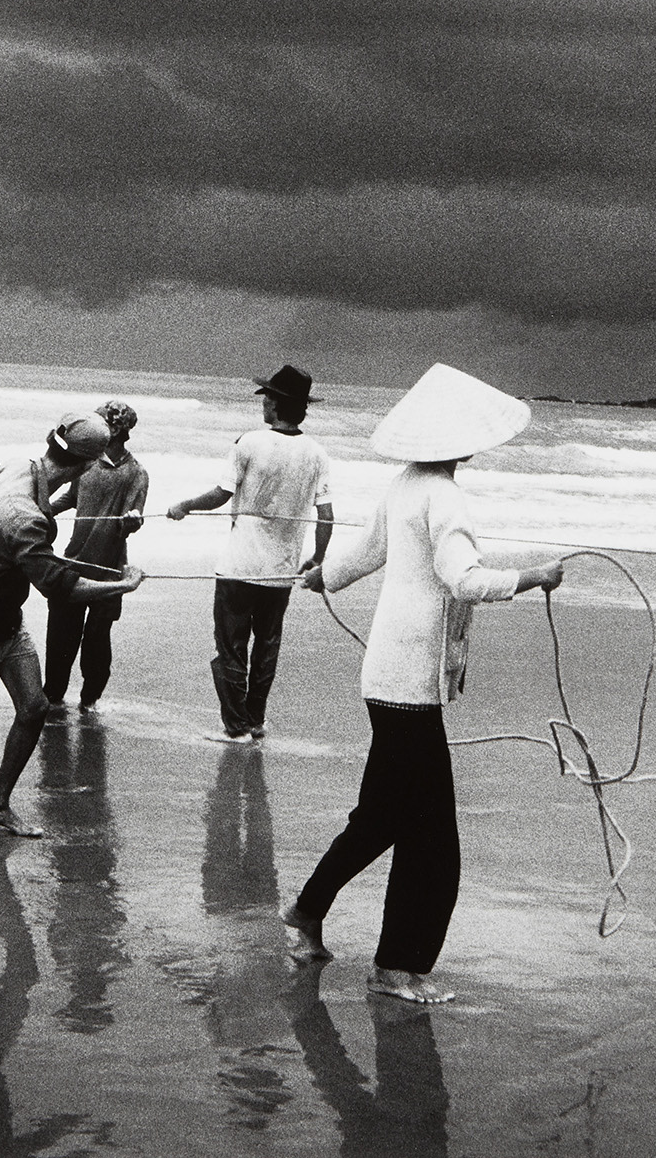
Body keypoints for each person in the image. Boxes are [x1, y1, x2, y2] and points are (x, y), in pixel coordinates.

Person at [285, 364, 567, 1004]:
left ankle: (306, 911)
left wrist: (325, 576)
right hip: (410, 681)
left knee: (383, 815)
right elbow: (464, 580)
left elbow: (366, 553)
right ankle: (396, 967)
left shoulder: (405, 484)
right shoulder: (444, 495)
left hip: (386, 673)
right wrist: (535, 576)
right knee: (432, 837)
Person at [0, 412, 143, 836]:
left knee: (35, 707)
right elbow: (60, 587)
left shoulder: (19, 467)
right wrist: (123, 584)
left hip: (8, 622)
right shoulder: (25, 518)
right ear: (87, 465)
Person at [166, 364, 333, 744]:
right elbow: (326, 516)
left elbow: (221, 494)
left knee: (231, 647)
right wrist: (318, 558)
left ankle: (236, 727)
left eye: (267, 397)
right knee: (266, 649)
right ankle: (255, 720)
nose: (263, 403)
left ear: (276, 403)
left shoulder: (249, 443)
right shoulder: (317, 453)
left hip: (239, 568)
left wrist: (184, 505)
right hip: (281, 573)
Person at [43, 399, 148, 711]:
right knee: (60, 639)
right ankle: (53, 699)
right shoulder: (86, 464)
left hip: (109, 571)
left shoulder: (135, 473)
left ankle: (89, 702)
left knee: (97, 641)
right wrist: (39, 509)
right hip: (73, 562)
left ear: (114, 430)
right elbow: (69, 498)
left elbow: (132, 520)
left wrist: (132, 521)